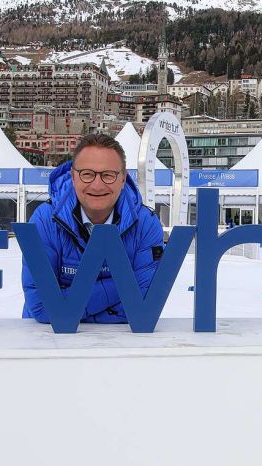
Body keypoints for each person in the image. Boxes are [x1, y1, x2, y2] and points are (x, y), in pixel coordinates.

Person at [21, 133, 164, 324]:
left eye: (108, 175)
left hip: (121, 344)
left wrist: (69, 307)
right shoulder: (45, 221)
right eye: (87, 174)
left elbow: (144, 304)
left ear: (123, 179)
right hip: (50, 341)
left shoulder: (147, 224)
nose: (97, 185)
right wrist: (126, 285)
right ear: (73, 177)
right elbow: (42, 306)